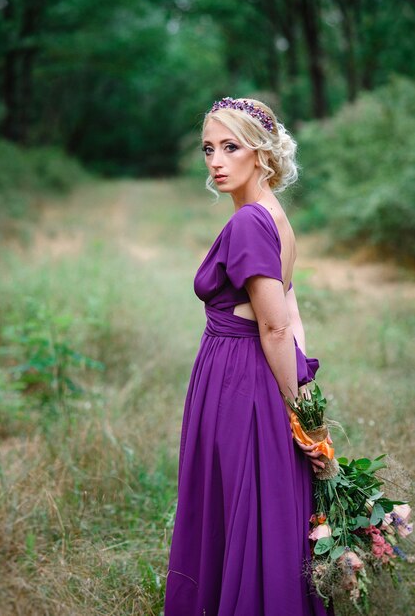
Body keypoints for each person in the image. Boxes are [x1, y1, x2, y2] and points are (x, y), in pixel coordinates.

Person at [164, 97, 335, 615]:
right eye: (209, 149)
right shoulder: (275, 218)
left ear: (260, 154)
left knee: (235, 503)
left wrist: (302, 416)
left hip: (238, 379)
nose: (215, 160)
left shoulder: (248, 224)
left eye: (229, 147)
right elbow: (291, 314)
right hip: (252, 375)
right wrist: (305, 396)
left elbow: (277, 327)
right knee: (257, 503)